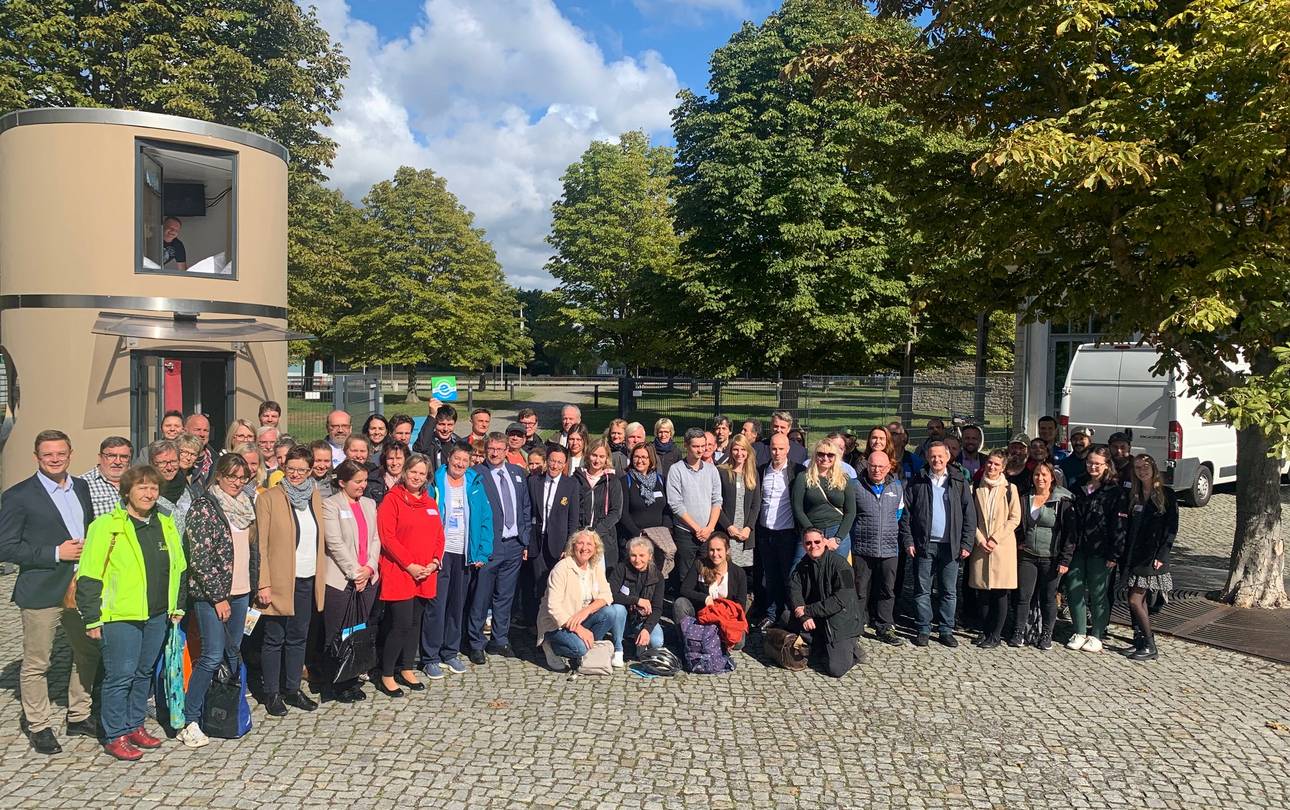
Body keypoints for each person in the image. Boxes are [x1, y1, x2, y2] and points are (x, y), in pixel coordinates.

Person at [76, 465, 186, 761]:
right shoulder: (106, 526)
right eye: (142, 487)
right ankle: (115, 734)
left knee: (143, 673)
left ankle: (135, 724)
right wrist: (92, 617)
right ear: (127, 492)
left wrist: (177, 605)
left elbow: (178, 567)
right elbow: (89, 575)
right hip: (121, 615)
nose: (149, 493)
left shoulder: (164, 522)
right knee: (120, 675)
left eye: (153, 488)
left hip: (157, 613)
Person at [0, 430, 98, 755]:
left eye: (60, 453)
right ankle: (39, 725)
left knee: (87, 651)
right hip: (42, 590)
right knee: (37, 662)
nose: (55, 459)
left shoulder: (81, 487)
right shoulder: (18, 496)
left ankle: (79, 715)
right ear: (37, 457)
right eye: (48, 454)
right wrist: (56, 553)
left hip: (80, 587)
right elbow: (6, 547)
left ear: (70, 454)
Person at [180, 453, 259, 747]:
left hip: (241, 591)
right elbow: (200, 559)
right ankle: (190, 718)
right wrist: (217, 597)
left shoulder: (246, 505)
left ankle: (222, 708)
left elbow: (252, 551)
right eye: (230, 476)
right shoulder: (204, 507)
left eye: (242, 477)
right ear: (218, 476)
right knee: (212, 655)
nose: (236, 482)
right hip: (213, 596)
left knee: (232, 653)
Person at [255, 445, 325, 716]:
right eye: (291, 469)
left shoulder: (314, 496)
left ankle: (292, 688)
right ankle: (272, 693)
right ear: (284, 468)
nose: (296, 474)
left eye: (301, 470)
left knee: (298, 637)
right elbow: (260, 545)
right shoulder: (269, 498)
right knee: (274, 638)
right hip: (280, 580)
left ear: (310, 471)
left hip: (307, 578)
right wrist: (263, 582)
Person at [375, 453, 441, 697]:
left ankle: (406, 667)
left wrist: (435, 562)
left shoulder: (430, 502)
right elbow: (388, 537)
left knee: (415, 624)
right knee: (400, 624)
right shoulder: (392, 500)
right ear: (404, 472)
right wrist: (410, 564)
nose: (417, 477)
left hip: (425, 572)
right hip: (400, 571)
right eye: (413, 471)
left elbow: (439, 535)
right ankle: (387, 673)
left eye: (422, 473)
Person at [423, 445, 492, 678]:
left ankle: (450, 651)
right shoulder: (435, 482)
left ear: (470, 462)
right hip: (440, 554)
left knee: (456, 605)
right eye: (457, 458)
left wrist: (482, 551)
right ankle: (431, 656)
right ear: (448, 458)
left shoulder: (474, 483)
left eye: (465, 460)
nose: (460, 463)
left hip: (464, 553)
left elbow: (486, 518)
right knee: (436, 606)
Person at [466, 433, 532, 664]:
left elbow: (525, 507)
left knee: (505, 596)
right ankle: (475, 643)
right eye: (491, 449)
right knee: (481, 596)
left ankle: (500, 639)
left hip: (514, 545)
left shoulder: (517, 473)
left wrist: (525, 539)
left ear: (506, 451)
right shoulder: (476, 475)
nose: (494, 453)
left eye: (499, 449)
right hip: (489, 545)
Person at [905, 442, 977, 647]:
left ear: (948, 458)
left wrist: (966, 543)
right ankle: (923, 628)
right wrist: (909, 540)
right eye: (932, 456)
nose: (936, 460)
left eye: (940, 456)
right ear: (927, 458)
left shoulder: (958, 480)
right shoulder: (918, 480)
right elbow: (907, 514)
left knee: (949, 591)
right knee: (922, 590)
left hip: (951, 545)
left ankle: (946, 629)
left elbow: (969, 514)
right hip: (924, 544)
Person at [320, 460, 381, 701]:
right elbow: (334, 543)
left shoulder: (369, 504)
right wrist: (356, 573)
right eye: (358, 481)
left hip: (368, 578)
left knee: (357, 632)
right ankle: (334, 682)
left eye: (365, 480)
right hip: (341, 580)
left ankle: (352, 678)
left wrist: (370, 568)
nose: (363, 485)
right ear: (343, 482)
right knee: (337, 632)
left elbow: (375, 538)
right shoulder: (330, 505)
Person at [1062, 446, 1127, 653]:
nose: (1093, 467)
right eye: (1090, 462)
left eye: (1098, 463)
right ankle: (1079, 631)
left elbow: (1119, 525)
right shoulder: (1078, 485)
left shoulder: (1115, 491)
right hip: (1077, 547)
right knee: (1074, 589)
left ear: (1106, 465)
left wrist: (1115, 553)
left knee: (1098, 593)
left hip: (1101, 550)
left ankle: (1097, 633)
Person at [537, 530, 626, 671]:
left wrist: (586, 611)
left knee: (610, 612)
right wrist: (579, 629)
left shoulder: (594, 566)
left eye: (589, 544)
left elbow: (607, 595)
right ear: (573, 547)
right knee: (580, 648)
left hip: (580, 618)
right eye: (580, 543)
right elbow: (553, 607)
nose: (585, 548)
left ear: (595, 548)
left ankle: (585, 646)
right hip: (557, 623)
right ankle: (551, 646)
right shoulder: (562, 568)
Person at [781, 528, 864, 677]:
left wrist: (808, 610)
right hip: (817, 616)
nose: (813, 546)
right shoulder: (801, 566)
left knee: (836, 669)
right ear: (803, 545)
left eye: (817, 541)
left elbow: (842, 598)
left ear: (824, 541)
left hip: (841, 621)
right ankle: (821, 645)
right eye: (808, 543)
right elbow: (794, 590)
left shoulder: (842, 565)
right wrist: (804, 616)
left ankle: (852, 649)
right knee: (785, 617)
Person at [1120, 454, 1177, 662]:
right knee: (1137, 599)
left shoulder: (1166, 494)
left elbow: (1171, 528)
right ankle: (1142, 641)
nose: (1141, 471)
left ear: (1153, 468)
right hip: (1134, 555)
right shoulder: (1134, 494)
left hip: (1152, 557)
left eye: (1145, 467)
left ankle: (1151, 645)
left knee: (1135, 599)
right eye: (1137, 468)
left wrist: (1162, 555)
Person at [850, 450, 910, 646]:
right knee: (860, 589)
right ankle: (856, 626)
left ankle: (884, 626)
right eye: (873, 466)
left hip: (889, 548)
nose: (876, 470)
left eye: (881, 466)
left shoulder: (897, 487)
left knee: (887, 590)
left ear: (888, 467)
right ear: (867, 466)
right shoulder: (855, 486)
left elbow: (899, 515)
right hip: (862, 547)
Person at [1012, 462, 1073, 651]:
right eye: (1037, 474)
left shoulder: (1062, 499)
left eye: (1044, 475)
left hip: (1051, 557)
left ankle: (1047, 634)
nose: (1040, 478)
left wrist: (1065, 559)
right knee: (1023, 596)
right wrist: (1020, 540)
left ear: (1052, 477)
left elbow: (1070, 533)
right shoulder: (1025, 497)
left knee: (1049, 597)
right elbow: (1017, 522)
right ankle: (1018, 632)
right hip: (1028, 555)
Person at [967, 450, 1022, 649]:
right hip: (981, 545)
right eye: (990, 463)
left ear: (1003, 468)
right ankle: (984, 630)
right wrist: (980, 539)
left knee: (1000, 593)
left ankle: (996, 634)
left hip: (1002, 547)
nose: (992, 467)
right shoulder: (975, 487)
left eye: (997, 464)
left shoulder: (1010, 489)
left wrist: (995, 538)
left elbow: (1014, 518)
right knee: (982, 592)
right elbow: (969, 517)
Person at [524, 445, 582, 626]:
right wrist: (525, 542)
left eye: (559, 462)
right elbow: (527, 513)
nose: (555, 466)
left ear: (565, 464)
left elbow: (573, 519)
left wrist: (569, 546)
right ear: (546, 461)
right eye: (552, 461)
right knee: (537, 584)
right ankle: (536, 625)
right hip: (536, 542)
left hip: (559, 545)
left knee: (557, 586)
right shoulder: (534, 481)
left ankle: (555, 624)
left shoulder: (571, 484)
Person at [665, 427, 723, 594]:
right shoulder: (676, 470)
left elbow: (717, 500)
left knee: (709, 575)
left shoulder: (712, 470)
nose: (700, 450)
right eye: (695, 446)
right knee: (686, 576)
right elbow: (675, 504)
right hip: (686, 533)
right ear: (686, 445)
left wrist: (709, 528)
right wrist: (697, 528)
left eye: (703, 446)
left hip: (707, 533)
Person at [756, 433, 801, 629]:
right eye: (774, 448)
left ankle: (791, 614)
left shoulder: (797, 471)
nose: (777, 452)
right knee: (770, 576)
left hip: (787, 532)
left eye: (781, 448)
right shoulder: (761, 471)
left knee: (789, 576)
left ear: (788, 449)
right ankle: (771, 613)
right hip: (766, 532)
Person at [673, 533, 748, 650]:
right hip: (702, 615)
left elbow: (741, 604)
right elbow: (684, 589)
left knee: (739, 644)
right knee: (680, 603)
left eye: (719, 550)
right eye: (711, 550)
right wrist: (705, 598)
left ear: (727, 550)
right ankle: (687, 642)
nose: (715, 554)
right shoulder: (700, 564)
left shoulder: (739, 573)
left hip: (725, 617)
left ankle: (713, 640)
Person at [791, 440, 858, 560]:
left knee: (836, 570)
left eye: (830, 455)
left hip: (837, 530)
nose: (825, 458)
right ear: (815, 455)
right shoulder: (803, 477)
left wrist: (838, 538)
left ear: (836, 457)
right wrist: (812, 532)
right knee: (798, 569)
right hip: (811, 529)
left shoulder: (844, 479)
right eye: (821, 454)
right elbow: (797, 509)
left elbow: (851, 512)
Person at [618, 443, 675, 579]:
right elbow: (623, 513)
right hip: (635, 539)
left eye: (644, 457)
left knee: (656, 577)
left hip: (659, 541)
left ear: (651, 460)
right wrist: (639, 534)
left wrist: (666, 530)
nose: (640, 460)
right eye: (636, 457)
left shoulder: (661, 481)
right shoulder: (625, 481)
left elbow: (667, 508)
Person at [716, 434, 761, 593]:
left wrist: (748, 528)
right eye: (735, 449)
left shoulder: (753, 474)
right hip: (728, 531)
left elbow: (756, 505)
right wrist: (728, 527)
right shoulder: (722, 472)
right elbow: (716, 504)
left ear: (748, 451)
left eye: (743, 449)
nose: (739, 453)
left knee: (743, 572)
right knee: (725, 569)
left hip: (745, 534)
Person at [608, 537, 666, 655]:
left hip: (642, 620)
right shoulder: (621, 568)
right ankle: (618, 648)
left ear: (650, 556)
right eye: (633, 555)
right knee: (617, 608)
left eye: (641, 555)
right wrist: (636, 600)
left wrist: (646, 629)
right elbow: (610, 595)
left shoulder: (657, 576)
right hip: (623, 619)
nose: (637, 560)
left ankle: (637, 642)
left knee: (656, 642)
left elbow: (657, 608)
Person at [577, 439, 623, 569]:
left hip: (604, 538)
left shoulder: (612, 481)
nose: (597, 460)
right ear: (588, 455)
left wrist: (596, 532)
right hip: (581, 538)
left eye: (601, 456)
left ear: (607, 458)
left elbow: (616, 512)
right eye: (594, 455)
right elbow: (573, 509)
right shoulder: (577, 479)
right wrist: (581, 532)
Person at [82, 436, 132, 518]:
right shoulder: (82, 484)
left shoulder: (138, 482)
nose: (117, 462)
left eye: (123, 457)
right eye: (111, 456)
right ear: (100, 457)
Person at [413, 404, 465, 472]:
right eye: (441, 424)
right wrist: (432, 416)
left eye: (450, 425)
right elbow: (420, 448)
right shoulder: (428, 442)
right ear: (434, 424)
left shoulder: (459, 443)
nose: (446, 429)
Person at [149, 440, 187, 521]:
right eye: (162, 463)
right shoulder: (146, 492)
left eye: (173, 462)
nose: (169, 468)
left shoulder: (185, 485)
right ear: (152, 463)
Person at [366, 440, 407, 505]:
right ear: (384, 460)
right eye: (390, 458)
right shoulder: (372, 480)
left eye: (398, 458)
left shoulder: (411, 481)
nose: (394, 463)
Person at [185, 413, 214, 480]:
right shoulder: (176, 459)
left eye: (205, 430)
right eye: (197, 429)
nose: (202, 434)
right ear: (185, 431)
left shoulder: (216, 461)